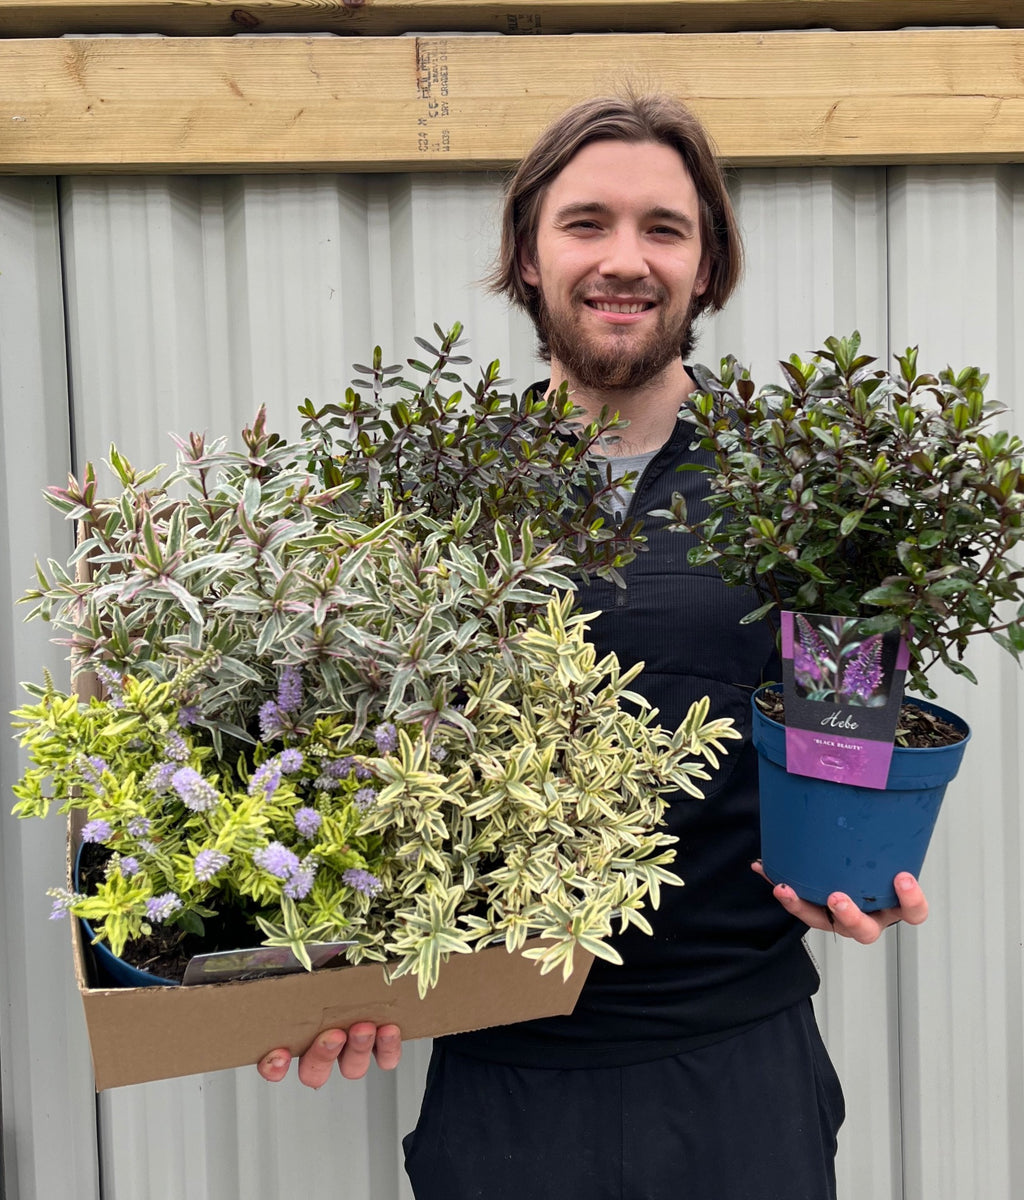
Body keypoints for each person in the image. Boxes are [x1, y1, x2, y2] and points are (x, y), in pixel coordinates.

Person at [258, 93, 928, 1199]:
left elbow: (849, 733)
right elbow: (341, 764)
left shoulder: (802, 493)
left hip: (738, 1071)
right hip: (503, 1070)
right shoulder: (433, 497)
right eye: (586, 223)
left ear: (708, 267)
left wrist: (860, 868)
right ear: (527, 255)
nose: (626, 259)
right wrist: (324, 983)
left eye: (664, 228)